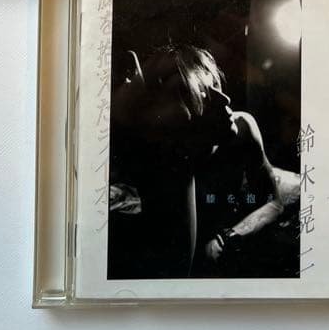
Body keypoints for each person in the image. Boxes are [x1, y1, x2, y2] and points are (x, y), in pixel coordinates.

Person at [108, 43, 298, 279]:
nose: (226, 99)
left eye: (217, 87)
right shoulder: (169, 159)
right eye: (206, 96)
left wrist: (228, 237)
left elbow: (274, 202)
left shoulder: (242, 128)